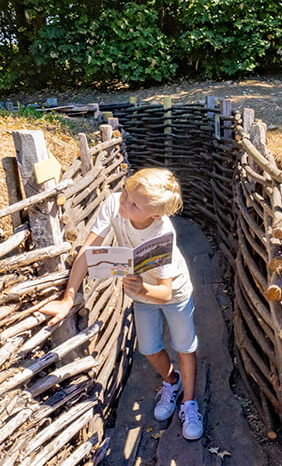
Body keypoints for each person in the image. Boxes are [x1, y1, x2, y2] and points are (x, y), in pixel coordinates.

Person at [39, 168, 204, 440]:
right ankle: (171, 382)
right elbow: (87, 253)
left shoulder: (162, 232)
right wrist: (68, 298)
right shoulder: (114, 204)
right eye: (126, 193)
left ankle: (188, 402)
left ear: (155, 214)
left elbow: (164, 292)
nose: (123, 202)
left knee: (184, 346)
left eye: (133, 203)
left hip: (173, 293)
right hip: (141, 294)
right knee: (150, 349)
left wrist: (143, 287)